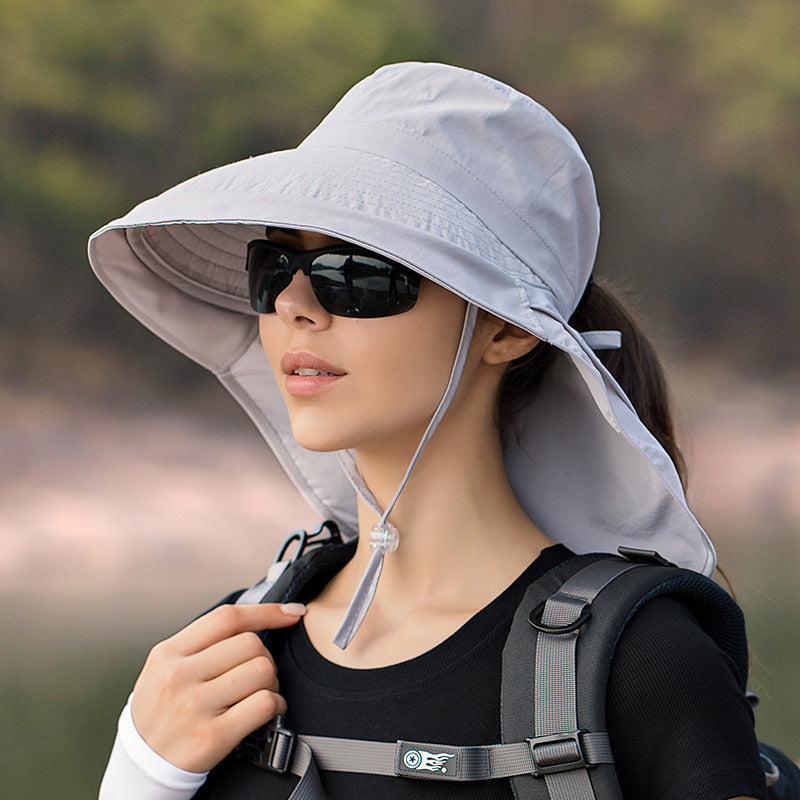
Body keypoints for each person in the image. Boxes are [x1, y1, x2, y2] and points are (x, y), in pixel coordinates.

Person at [89, 62, 768, 799]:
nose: (294, 305)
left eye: (358, 272)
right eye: (274, 264)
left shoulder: (644, 664)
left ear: (506, 327)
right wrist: (142, 773)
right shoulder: (220, 659)